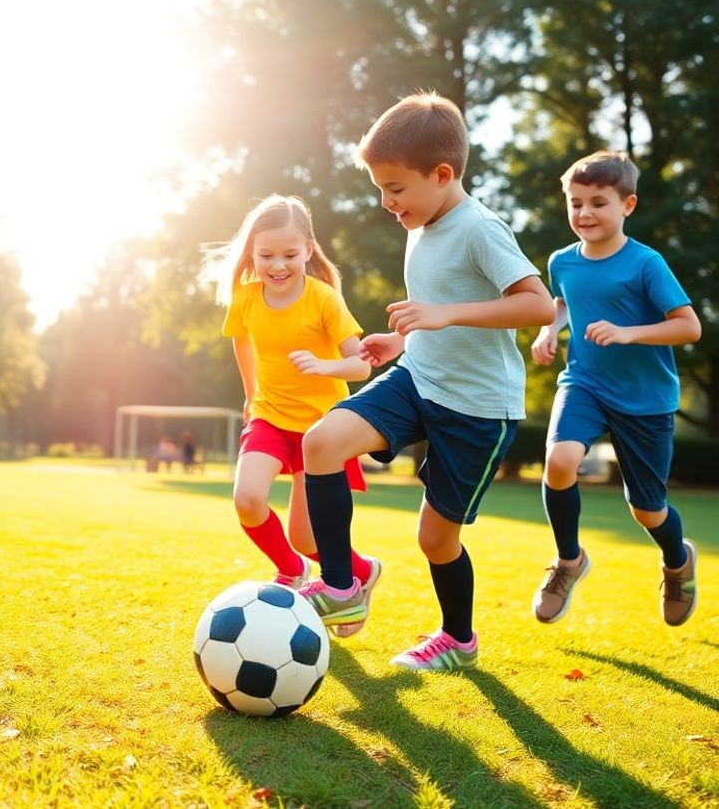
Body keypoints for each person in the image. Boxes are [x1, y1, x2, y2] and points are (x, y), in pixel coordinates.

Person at [298, 93, 555, 670]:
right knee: (321, 442)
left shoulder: (480, 229)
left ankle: (458, 640)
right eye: (380, 189)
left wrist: (443, 315)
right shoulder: (421, 220)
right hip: (419, 376)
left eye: (395, 188)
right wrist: (404, 341)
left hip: (478, 408)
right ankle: (342, 587)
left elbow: (536, 305)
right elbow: (434, 310)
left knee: (436, 541)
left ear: (443, 175)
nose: (387, 203)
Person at [530, 151, 701, 627]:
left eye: (598, 203)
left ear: (628, 205)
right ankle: (568, 561)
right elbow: (564, 300)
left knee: (646, 510)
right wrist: (550, 329)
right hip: (584, 381)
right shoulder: (562, 260)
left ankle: (677, 562)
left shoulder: (647, 263)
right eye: (575, 202)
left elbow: (689, 327)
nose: (584, 214)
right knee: (561, 461)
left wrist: (629, 332)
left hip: (645, 398)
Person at [212, 194, 383, 635]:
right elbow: (242, 340)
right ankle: (290, 570)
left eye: (290, 254)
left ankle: (360, 571)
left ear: (309, 248)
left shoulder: (324, 299)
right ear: (252, 252)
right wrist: (251, 395)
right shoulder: (245, 298)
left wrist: (327, 366)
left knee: (309, 538)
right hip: (269, 416)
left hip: (321, 433)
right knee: (247, 499)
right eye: (266, 255)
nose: (278, 265)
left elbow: (361, 362)